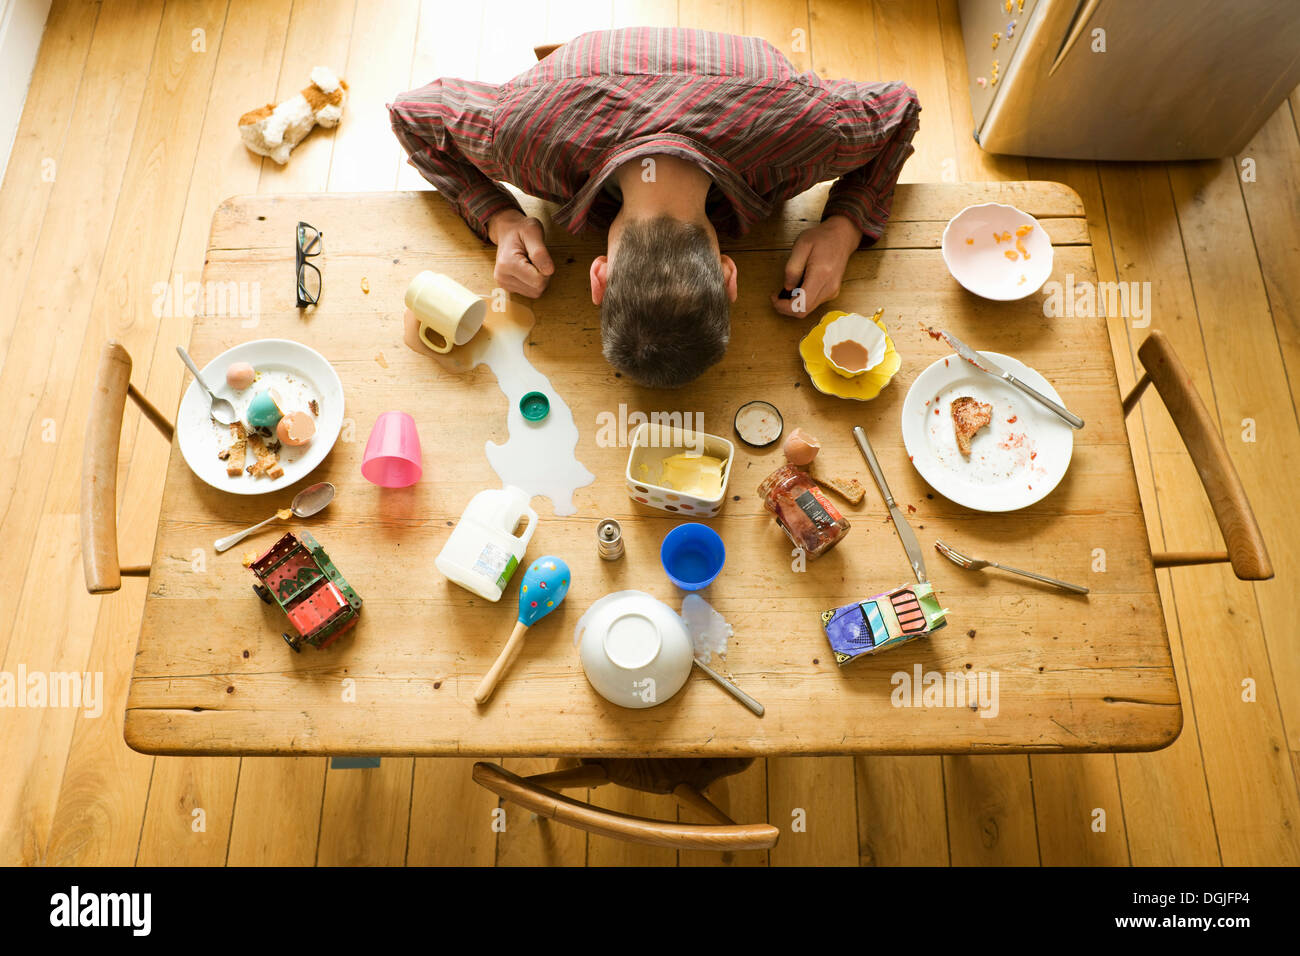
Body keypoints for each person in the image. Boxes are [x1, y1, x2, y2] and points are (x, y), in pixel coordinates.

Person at [388, 27, 920, 388]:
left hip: (754, 89)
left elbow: (902, 107)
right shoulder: (523, 137)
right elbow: (409, 114)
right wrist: (499, 217)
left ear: (598, 278)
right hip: (611, 84)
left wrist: (845, 227)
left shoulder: (807, 131)